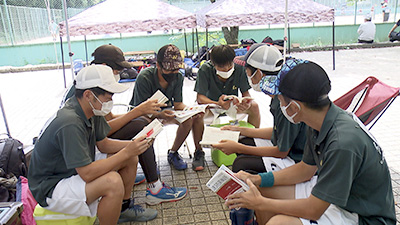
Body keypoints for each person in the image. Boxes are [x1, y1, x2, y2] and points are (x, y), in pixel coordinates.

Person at [225, 60, 396, 225]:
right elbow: (305, 170)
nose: (278, 103)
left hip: (363, 217)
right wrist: (256, 179)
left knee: (279, 222)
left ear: (294, 107)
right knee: (260, 190)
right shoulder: (319, 120)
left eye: (280, 98)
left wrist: (260, 203)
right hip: (342, 199)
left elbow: (313, 210)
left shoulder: (342, 143)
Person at [28, 65, 158, 224]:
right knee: (113, 182)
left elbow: (103, 144)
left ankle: (121, 209)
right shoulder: (69, 122)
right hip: (50, 186)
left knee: (130, 159)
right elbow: (87, 174)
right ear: (88, 95)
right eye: (108, 96)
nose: (111, 100)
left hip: (69, 170)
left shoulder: (90, 109)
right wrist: (127, 151)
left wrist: (135, 145)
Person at [63, 44, 188, 205]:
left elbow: (109, 120)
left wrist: (141, 112)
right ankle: (155, 188)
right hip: (85, 150)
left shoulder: (87, 85)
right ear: (104, 67)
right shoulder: (91, 92)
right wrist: (138, 112)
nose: (119, 74)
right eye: (117, 70)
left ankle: (129, 192)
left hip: (93, 141)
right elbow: (104, 132)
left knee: (140, 125)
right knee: (141, 126)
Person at [213, 44, 306, 174]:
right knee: (243, 141)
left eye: (247, 71)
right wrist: (239, 130)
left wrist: (238, 147)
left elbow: (281, 151)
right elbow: (277, 132)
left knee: (241, 163)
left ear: (259, 73)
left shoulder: (285, 103)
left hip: (297, 159)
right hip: (289, 149)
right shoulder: (278, 94)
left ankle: (260, 190)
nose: (246, 75)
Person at [130, 44, 206, 172]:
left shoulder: (178, 77)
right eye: (170, 70)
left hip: (165, 112)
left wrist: (191, 110)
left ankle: (173, 153)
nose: (174, 73)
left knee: (189, 119)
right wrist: (159, 115)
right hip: (142, 115)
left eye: (176, 69)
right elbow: (139, 110)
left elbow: (178, 104)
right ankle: (149, 161)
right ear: (158, 65)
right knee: (148, 125)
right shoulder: (145, 77)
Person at [194, 45, 261, 128]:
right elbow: (200, 98)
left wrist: (246, 102)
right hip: (212, 106)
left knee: (254, 107)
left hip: (233, 105)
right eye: (221, 67)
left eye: (230, 65)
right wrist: (217, 103)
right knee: (197, 116)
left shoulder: (239, 68)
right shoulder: (205, 70)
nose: (226, 69)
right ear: (213, 64)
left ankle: (253, 135)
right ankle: (200, 140)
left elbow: (245, 93)